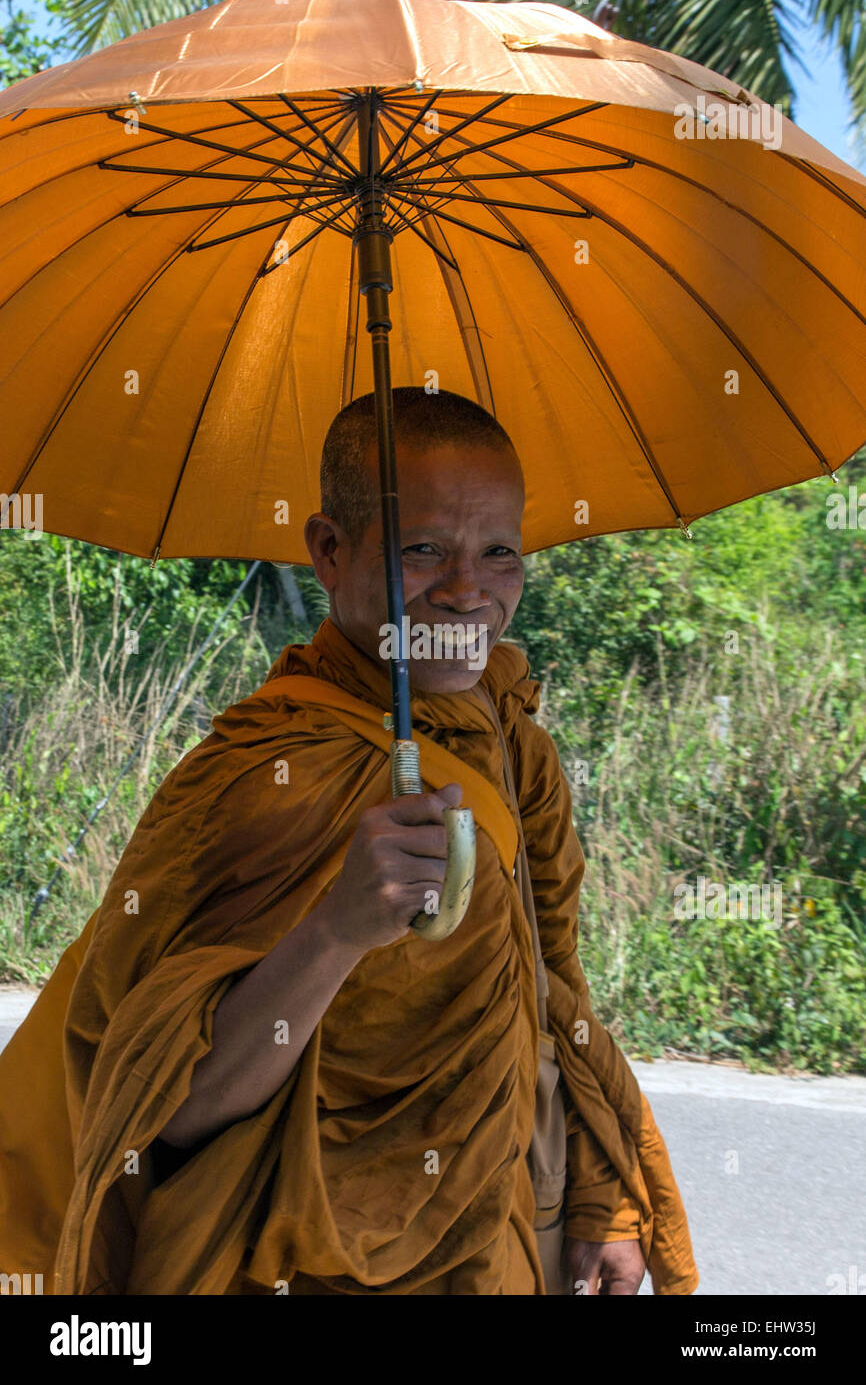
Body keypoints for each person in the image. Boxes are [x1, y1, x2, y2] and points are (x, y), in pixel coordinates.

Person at [0, 387, 698, 1296]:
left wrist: (603, 1201)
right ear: (328, 551)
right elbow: (170, 1111)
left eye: (499, 553)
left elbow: (549, 992)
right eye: (422, 550)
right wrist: (335, 931)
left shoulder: (505, 733)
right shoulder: (262, 776)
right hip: (313, 1262)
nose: (466, 591)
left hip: (513, 1227)